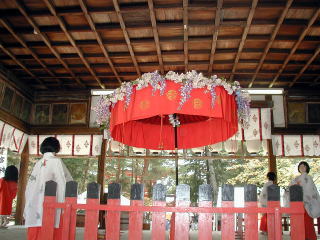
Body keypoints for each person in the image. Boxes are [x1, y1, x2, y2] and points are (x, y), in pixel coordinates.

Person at [24, 137, 72, 240]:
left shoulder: (38, 163)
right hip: (52, 200)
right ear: (56, 147)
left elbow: (30, 185)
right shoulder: (56, 161)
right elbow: (62, 181)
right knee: (52, 225)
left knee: (36, 225)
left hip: (35, 201)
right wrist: (64, 202)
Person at [289, 161, 320, 240]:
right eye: (300, 166)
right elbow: (290, 187)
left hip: (307, 203)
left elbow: (310, 190)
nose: (302, 167)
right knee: (299, 221)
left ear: (307, 168)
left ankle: (309, 237)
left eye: (304, 166)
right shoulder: (296, 178)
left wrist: (305, 198)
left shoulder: (308, 177)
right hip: (298, 202)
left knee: (307, 221)